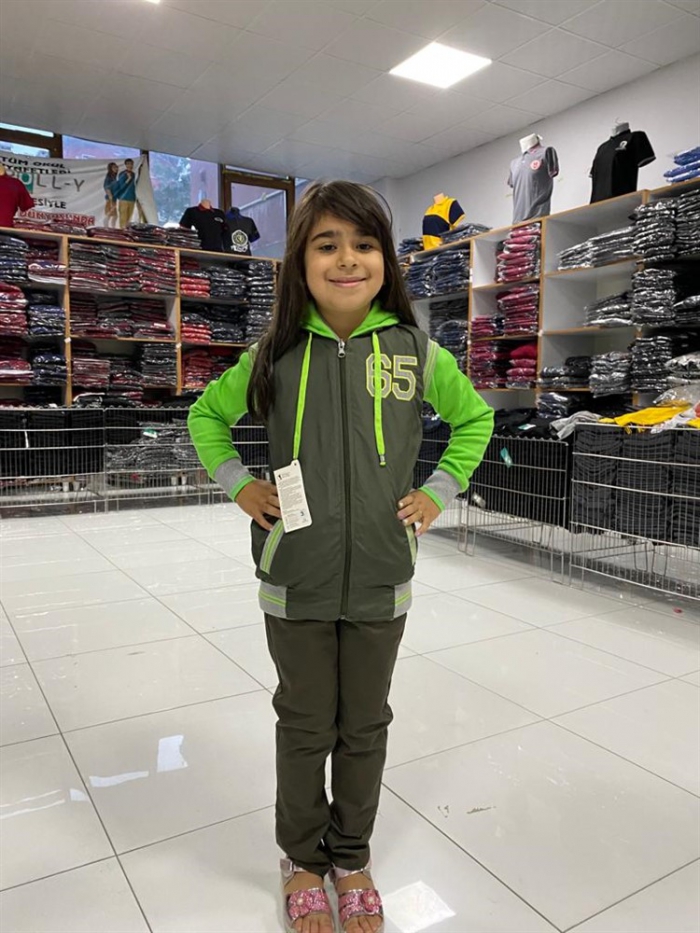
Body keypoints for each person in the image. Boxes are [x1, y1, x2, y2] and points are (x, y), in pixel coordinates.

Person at [187, 180, 493, 933]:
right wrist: (240, 484)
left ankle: (351, 857)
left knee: (364, 725)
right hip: (295, 578)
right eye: (327, 245)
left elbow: (475, 420)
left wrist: (437, 492)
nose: (347, 259)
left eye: (363, 244)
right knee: (304, 723)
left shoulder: (417, 352)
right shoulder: (275, 353)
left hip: (383, 578)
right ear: (301, 262)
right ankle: (301, 860)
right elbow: (206, 417)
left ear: (386, 260)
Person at [114, 158, 137, 228]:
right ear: (126, 165)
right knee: (123, 219)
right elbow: (121, 186)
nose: (130, 165)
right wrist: (128, 179)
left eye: (131, 164)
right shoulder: (122, 174)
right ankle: (122, 232)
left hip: (132, 199)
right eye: (128, 164)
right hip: (123, 198)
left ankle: (127, 232)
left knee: (129, 220)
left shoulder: (134, 174)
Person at [103, 162, 118, 228]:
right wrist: (110, 197)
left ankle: (112, 227)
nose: (116, 168)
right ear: (110, 169)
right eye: (114, 167)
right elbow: (106, 187)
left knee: (114, 215)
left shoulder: (114, 177)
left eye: (116, 167)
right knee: (110, 213)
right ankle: (106, 225)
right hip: (110, 198)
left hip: (114, 198)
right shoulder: (109, 178)